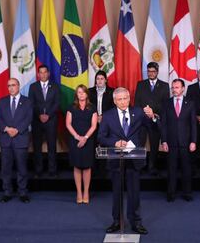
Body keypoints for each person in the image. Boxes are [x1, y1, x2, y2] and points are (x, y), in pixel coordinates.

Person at [98, 87, 156, 235]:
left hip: (134, 159)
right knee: (117, 192)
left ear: (129, 98)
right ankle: (117, 221)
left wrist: (152, 116)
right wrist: (115, 142)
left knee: (134, 192)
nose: (123, 102)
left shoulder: (138, 113)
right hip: (116, 159)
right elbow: (101, 137)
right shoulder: (108, 115)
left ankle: (136, 222)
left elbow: (153, 127)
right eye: (120, 99)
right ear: (114, 101)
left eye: (125, 98)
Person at [0, 78, 33, 203]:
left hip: (20, 138)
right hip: (6, 139)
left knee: (22, 168)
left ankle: (22, 192)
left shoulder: (27, 101)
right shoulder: (2, 101)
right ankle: (7, 192)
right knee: (6, 168)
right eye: (9, 86)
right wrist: (6, 128)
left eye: (13, 85)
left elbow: (29, 118)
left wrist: (17, 130)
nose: (11, 88)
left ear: (18, 86)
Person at [161, 79, 197, 202]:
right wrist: (164, 141)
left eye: (177, 87)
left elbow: (193, 124)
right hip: (171, 143)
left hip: (186, 143)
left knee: (186, 169)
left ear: (183, 88)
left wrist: (193, 141)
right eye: (173, 87)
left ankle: (187, 193)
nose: (174, 90)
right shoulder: (166, 103)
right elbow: (164, 124)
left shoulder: (190, 103)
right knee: (171, 169)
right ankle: (171, 193)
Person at [134, 62, 170, 175]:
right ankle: (139, 167)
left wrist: (154, 113)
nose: (151, 73)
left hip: (156, 120)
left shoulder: (164, 86)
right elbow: (136, 103)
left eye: (153, 71)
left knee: (154, 145)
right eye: (149, 71)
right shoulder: (140, 84)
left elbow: (165, 104)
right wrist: (144, 112)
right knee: (140, 144)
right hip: (142, 120)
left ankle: (152, 167)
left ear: (157, 72)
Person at [66, 85, 98, 204]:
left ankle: (86, 192)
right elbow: (68, 124)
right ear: (76, 94)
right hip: (75, 140)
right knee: (77, 166)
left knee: (87, 167)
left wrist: (85, 138)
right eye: (79, 92)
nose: (81, 94)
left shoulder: (92, 108)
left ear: (87, 94)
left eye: (83, 92)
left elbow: (94, 125)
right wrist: (77, 137)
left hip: (88, 140)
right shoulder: (71, 107)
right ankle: (79, 192)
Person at [28, 65, 60, 178]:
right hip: (37, 121)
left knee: (52, 147)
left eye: (45, 72)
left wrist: (48, 115)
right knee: (37, 147)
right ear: (38, 74)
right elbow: (31, 103)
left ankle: (52, 170)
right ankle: (38, 170)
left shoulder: (55, 86)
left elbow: (57, 103)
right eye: (40, 72)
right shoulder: (33, 87)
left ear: (48, 73)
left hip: (51, 120)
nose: (43, 74)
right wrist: (39, 115)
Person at [88, 70, 114, 177]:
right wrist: (95, 116)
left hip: (106, 123)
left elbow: (113, 108)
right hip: (92, 122)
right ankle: (94, 169)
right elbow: (87, 107)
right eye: (97, 79)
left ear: (106, 80)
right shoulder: (90, 92)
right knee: (93, 145)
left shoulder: (112, 92)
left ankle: (105, 169)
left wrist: (103, 117)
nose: (99, 81)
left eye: (101, 79)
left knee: (105, 145)